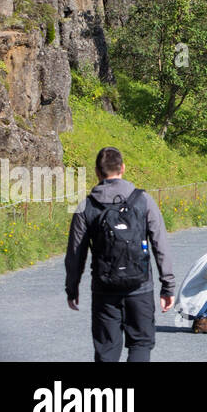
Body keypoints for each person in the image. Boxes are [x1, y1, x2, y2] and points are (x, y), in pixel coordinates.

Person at [65, 147, 175, 362]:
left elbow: (75, 253)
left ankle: (109, 397)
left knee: (107, 349)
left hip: (104, 289)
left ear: (97, 172)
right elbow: (160, 244)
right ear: (123, 168)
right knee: (141, 343)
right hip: (140, 287)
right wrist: (167, 285)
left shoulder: (86, 206)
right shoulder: (144, 200)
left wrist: (72, 287)